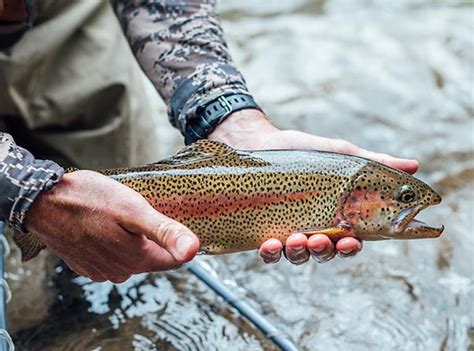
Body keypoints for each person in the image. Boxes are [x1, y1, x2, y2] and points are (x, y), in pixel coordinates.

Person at [0, 0, 418, 283]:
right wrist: (31, 193)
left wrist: (224, 114)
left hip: (54, 33)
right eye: (399, 197)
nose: (405, 203)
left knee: (108, 233)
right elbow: (31, 191)